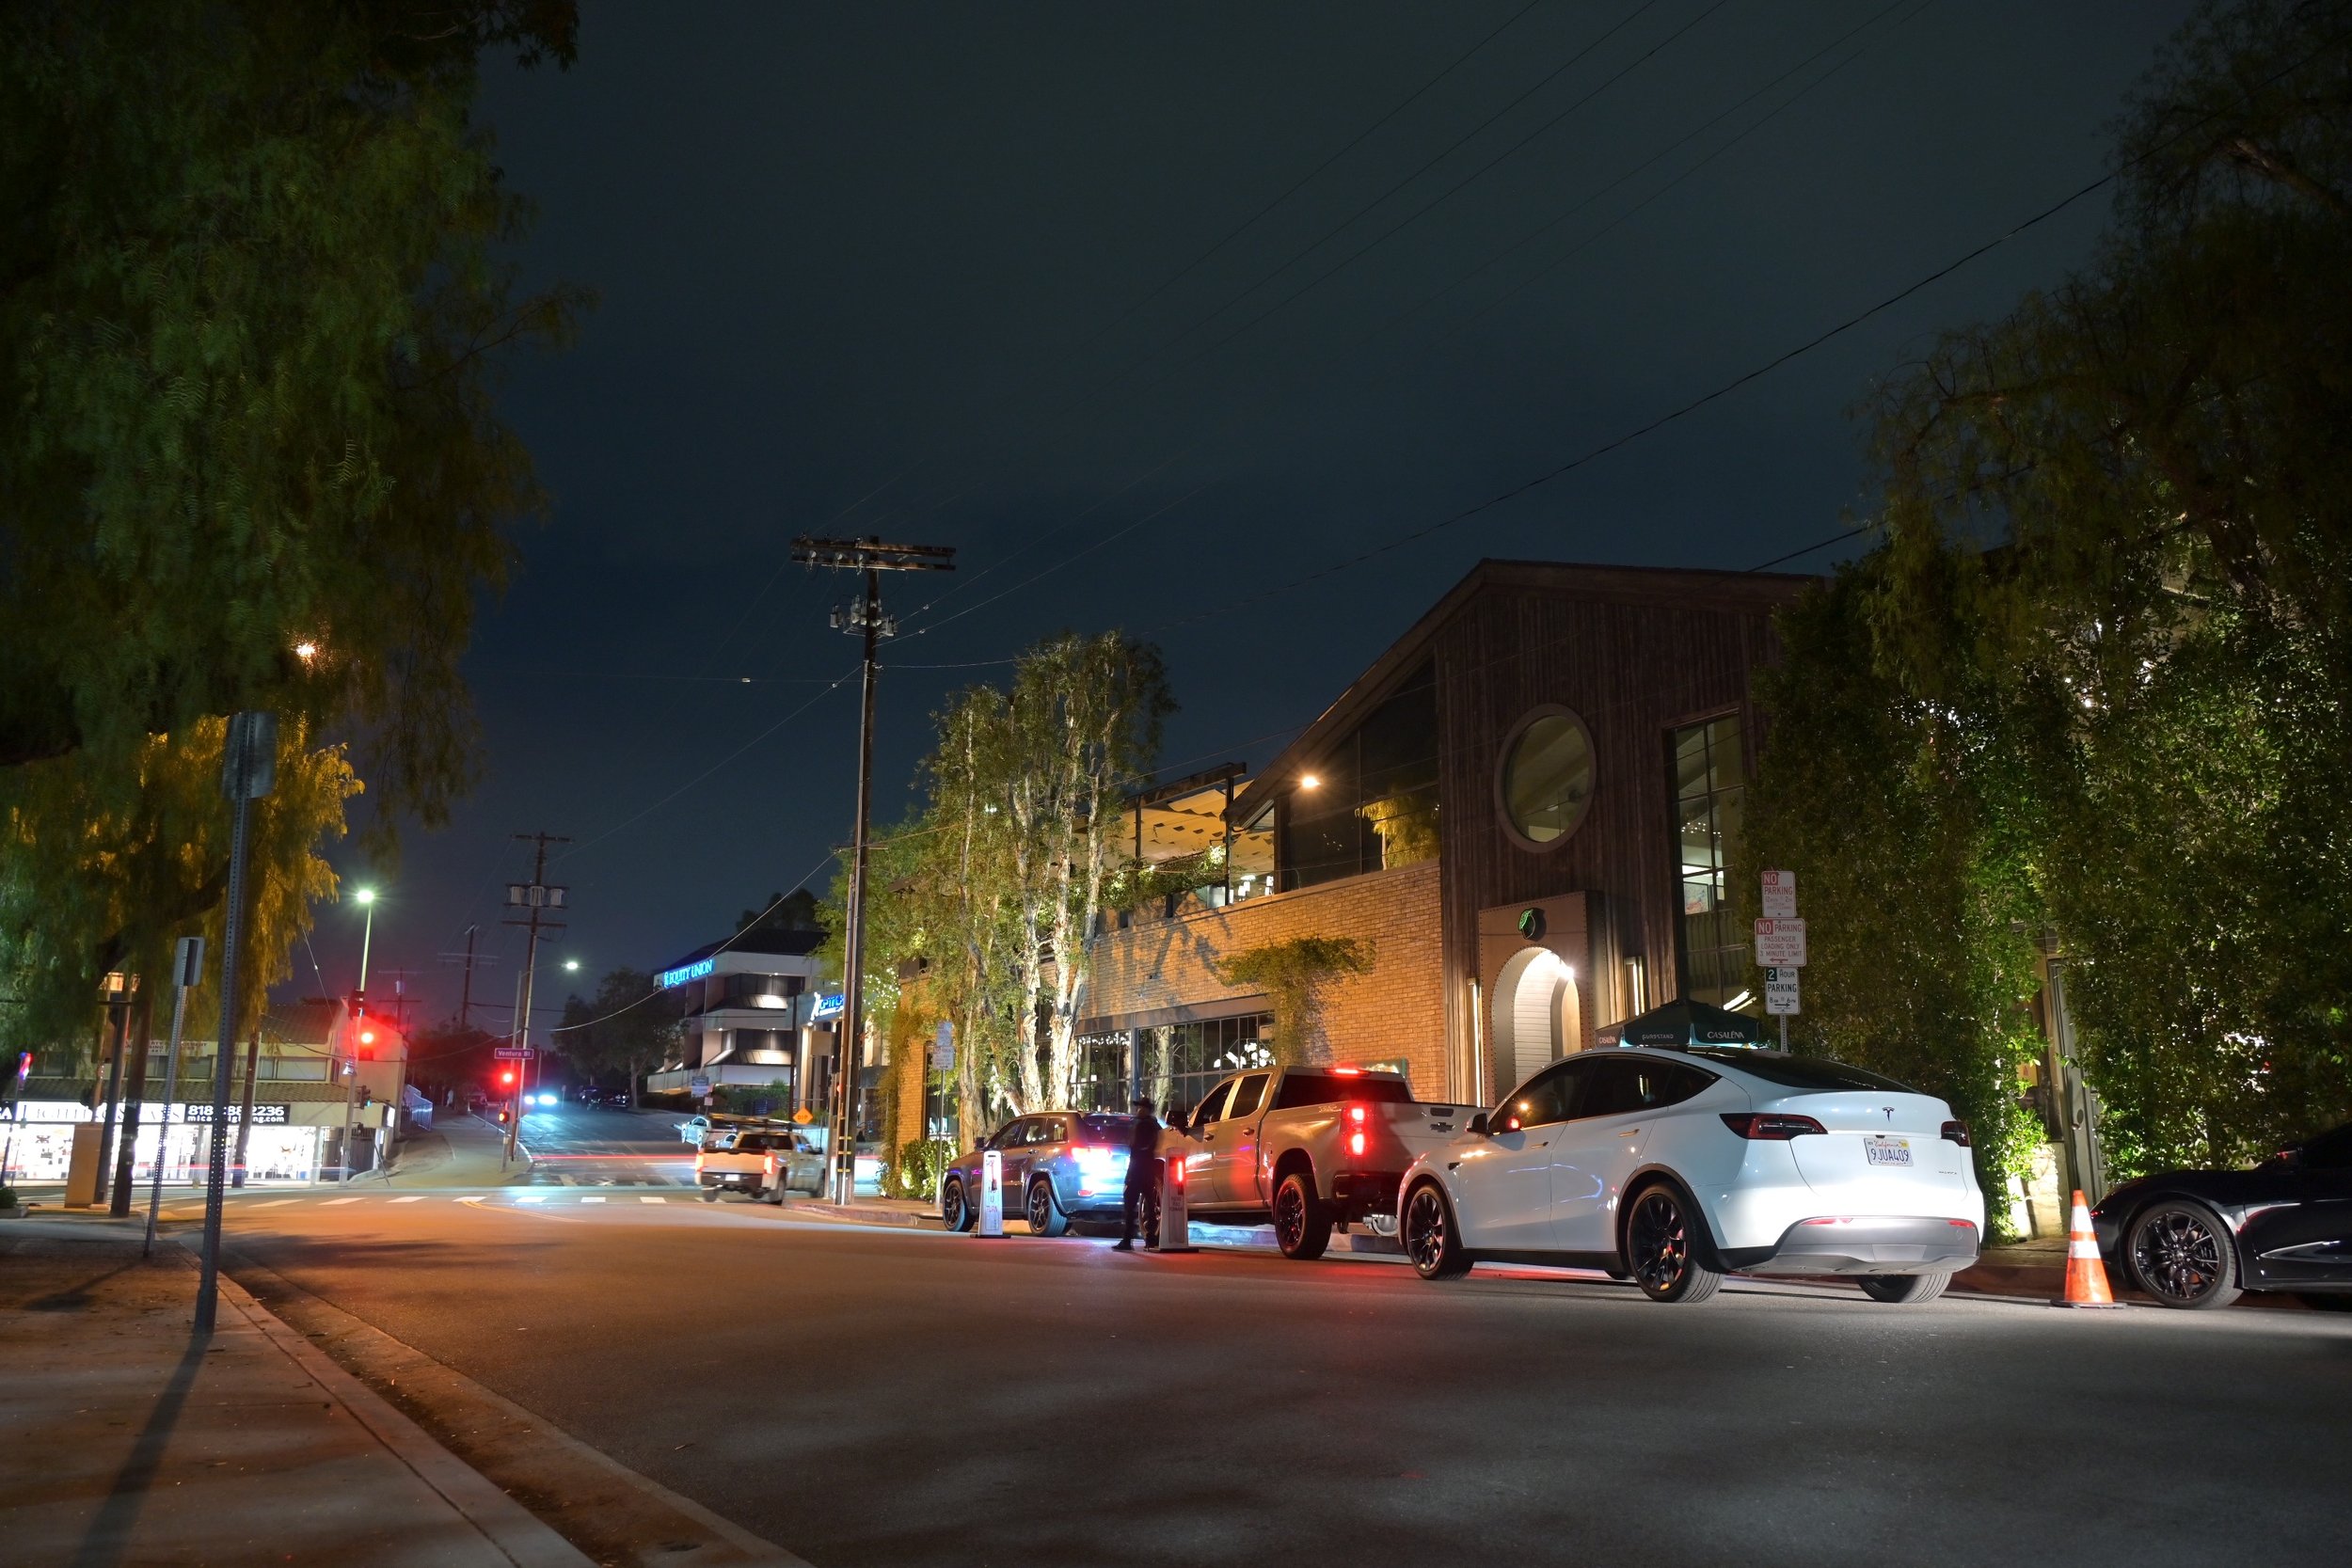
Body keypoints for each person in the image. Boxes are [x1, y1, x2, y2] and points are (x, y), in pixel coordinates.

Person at [1113, 1094, 1164, 1251]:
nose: (1139, 1110)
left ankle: (1129, 1239)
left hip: (1138, 1169)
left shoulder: (1144, 1124)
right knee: (1147, 1204)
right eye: (1139, 1107)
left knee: (1132, 1203)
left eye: (1142, 1107)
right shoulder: (1151, 1124)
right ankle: (1149, 1238)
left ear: (1147, 1110)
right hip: (1145, 1169)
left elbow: (1135, 1144)